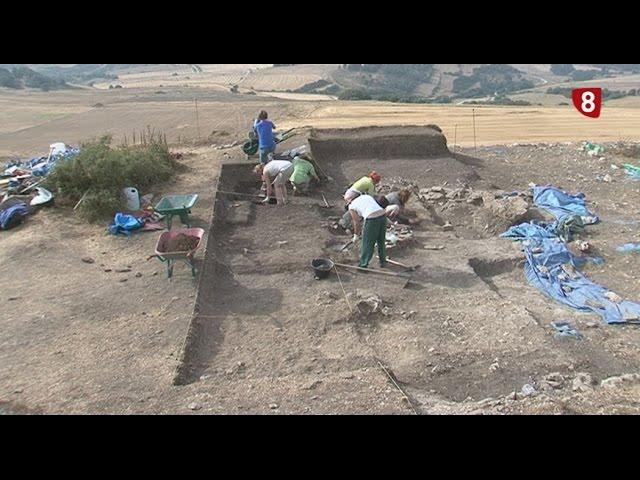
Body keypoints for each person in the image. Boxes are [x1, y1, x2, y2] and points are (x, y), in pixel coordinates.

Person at [349, 195, 390, 269]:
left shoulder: (351, 206)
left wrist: (356, 235)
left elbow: (356, 222)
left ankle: (363, 264)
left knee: (368, 242)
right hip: (383, 216)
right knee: (381, 241)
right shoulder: (365, 196)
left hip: (372, 219)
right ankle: (383, 261)